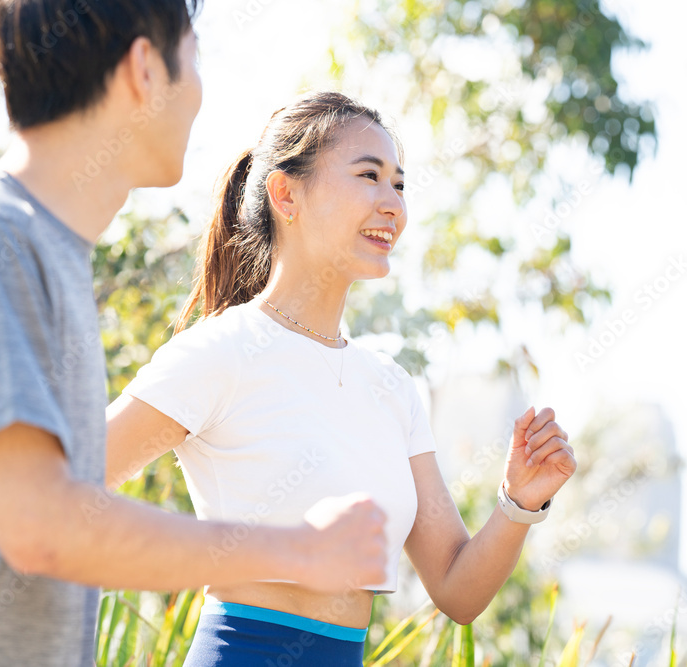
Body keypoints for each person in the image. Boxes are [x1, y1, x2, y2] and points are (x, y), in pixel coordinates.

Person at [0, 4, 392, 666]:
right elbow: (43, 525)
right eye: (193, 59)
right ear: (144, 69)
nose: (201, 91)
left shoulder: (23, 242)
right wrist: (299, 551)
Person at [106, 91, 578, 666]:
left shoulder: (390, 386)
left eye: (399, 185)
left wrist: (518, 502)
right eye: (369, 176)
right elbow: (66, 490)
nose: (393, 205)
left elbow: (457, 591)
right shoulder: (222, 350)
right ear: (286, 194)